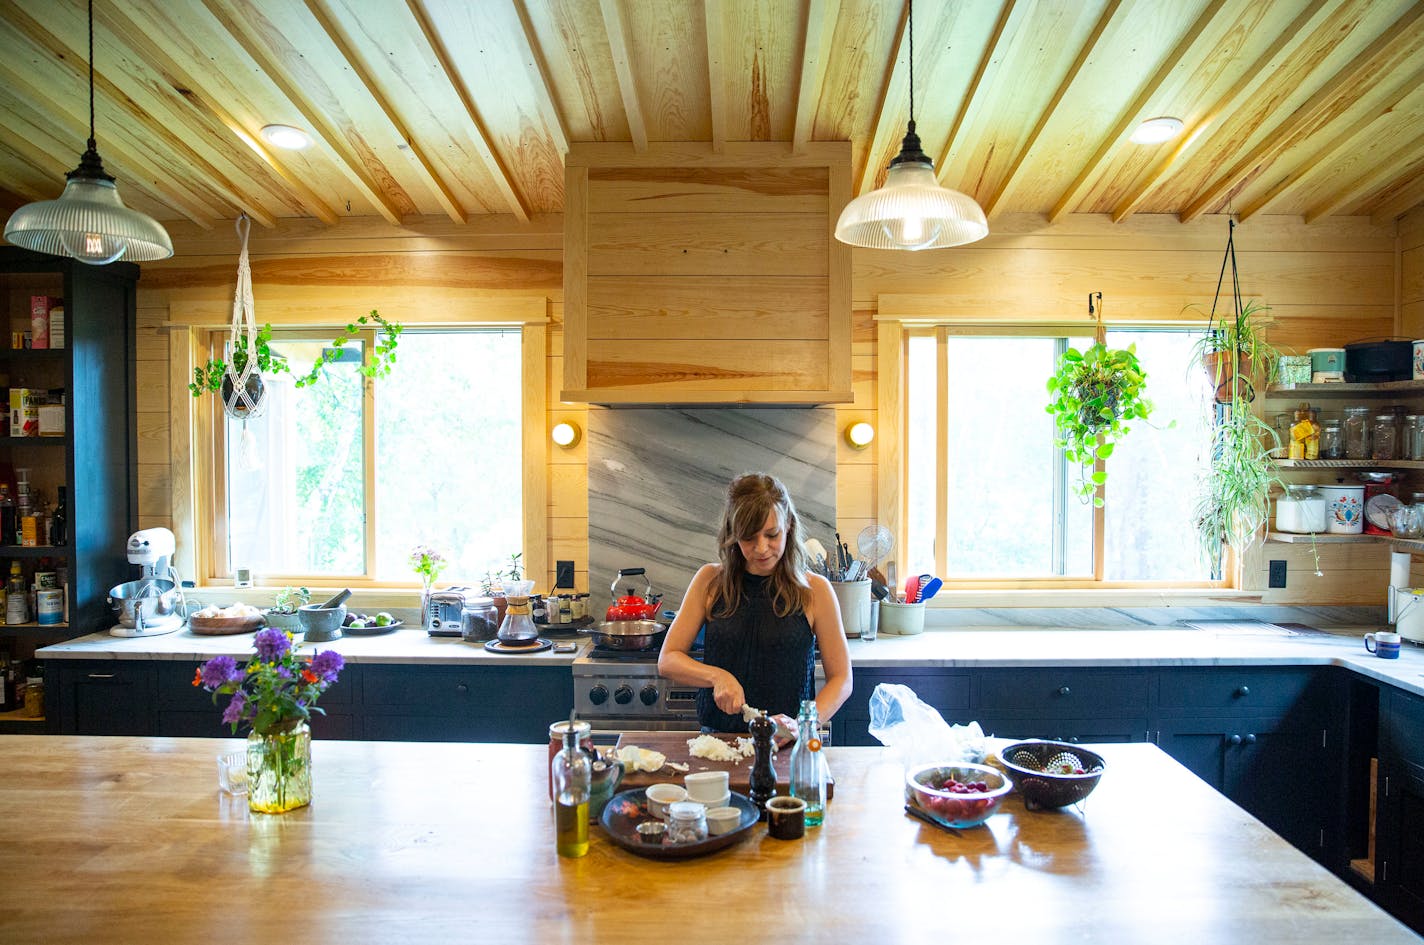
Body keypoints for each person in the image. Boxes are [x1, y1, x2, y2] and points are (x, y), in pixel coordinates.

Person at [658, 472, 853, 737]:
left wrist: (803, 724)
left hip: (786, 744)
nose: (761, 548)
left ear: (789, 527)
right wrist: (717, 676)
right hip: (718, 741)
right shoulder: (710, 581)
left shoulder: (815, 590)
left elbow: (842, 679)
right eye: (749, 538)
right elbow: (668, 659)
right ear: (733, 534)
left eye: (771, 535)